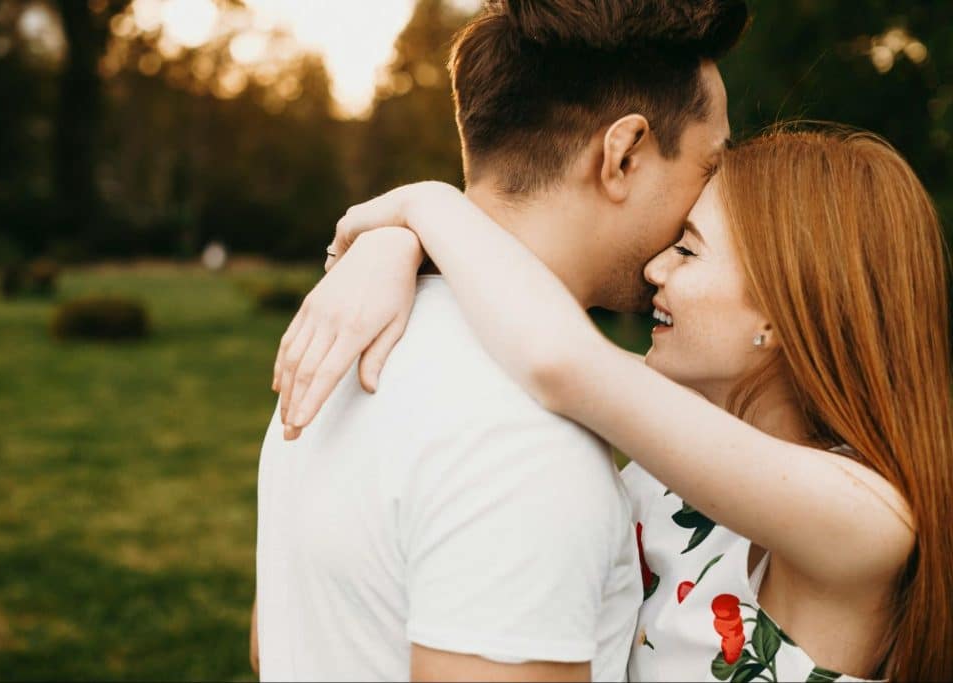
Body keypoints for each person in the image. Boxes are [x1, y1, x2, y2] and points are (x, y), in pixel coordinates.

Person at [275, 127, 953, 682]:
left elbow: (560, 359)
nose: (655, 267)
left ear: (779, 314)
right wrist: (396, 249)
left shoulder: (865, 517)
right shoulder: (689, 438)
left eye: (688, 249)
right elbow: (519, 320)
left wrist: (424, 206)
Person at [252, 0, 749, 680]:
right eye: (709, 164)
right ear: (624, 155)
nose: (712, 197)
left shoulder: (345, 345)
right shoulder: (527, 439)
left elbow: (277, 639)